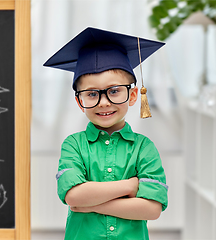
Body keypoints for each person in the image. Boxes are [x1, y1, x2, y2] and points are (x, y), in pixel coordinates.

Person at [43, 27, 168, 240]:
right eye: (92, 94)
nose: (104, 103)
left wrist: (92, 203)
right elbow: (73, 196)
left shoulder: (143, 147)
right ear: (79, 101)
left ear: (133, 95)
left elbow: (152, 209)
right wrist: (130, 185)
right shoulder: (74, 145)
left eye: (114, 91)